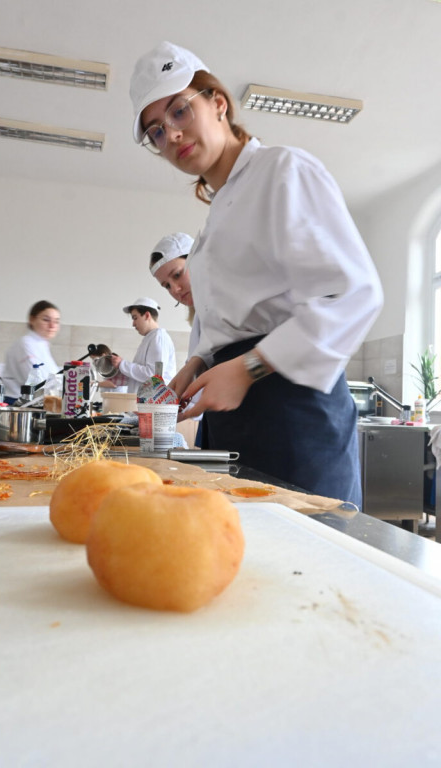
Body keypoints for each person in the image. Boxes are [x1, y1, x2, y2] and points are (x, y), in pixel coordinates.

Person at [129, 41, 384, 506]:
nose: (172, 136)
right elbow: (230, 325)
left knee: (306, 560)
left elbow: (352, 294)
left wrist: (249, 368)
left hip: (292, 410)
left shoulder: (283, 171)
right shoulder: (212, 226)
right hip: (233, 408)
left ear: (218, 103)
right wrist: (194, 365)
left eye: (180, 112)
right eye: (156, 132)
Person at [149, 231, 203, 445]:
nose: (176, 289)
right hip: (216, 420)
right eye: (167, 286)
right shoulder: (201, 315)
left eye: (178, 274)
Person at [101, 298, 176, 395]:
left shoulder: (159, 337)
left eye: (135, 318)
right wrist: (117, 373)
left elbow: (154, 375)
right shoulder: (151, 337)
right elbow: (141, 376)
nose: (133, 324)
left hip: (153, 405)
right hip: (144, 404)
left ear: (147, 315)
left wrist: (122, 364)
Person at [3, 300, 61, 403]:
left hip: (37, 402)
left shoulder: (42, 345)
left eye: (56, 321)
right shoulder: (26, 344)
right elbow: (36, 382)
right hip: (19, 404)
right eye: (46, 320)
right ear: (32, 319)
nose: (52, 326)